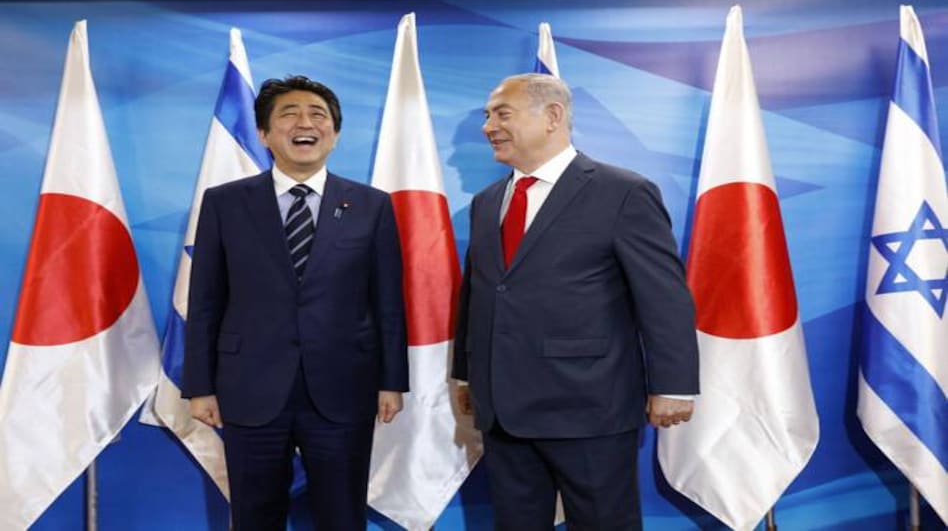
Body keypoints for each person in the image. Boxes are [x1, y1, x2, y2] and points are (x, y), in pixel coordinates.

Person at [453, 73, 699, 531]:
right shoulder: (488, 202)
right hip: (502, 409)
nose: (488, 126)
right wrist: (468, 372)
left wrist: (673, 385)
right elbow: (481, 291)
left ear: (553, 116)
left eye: (501, 114)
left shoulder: (623, 191)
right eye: (487, 116)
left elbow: (663, 296)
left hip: (589, 407)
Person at [182, 75, 408, 530]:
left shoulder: (371, 205)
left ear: (335, 134)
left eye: (317, 115)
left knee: (342, 515)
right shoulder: (224, 203)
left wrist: (392, 381)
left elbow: (387, 300)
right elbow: (206, 298)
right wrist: (199, 384)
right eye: (289, 114)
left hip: (344, 387)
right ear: (264, 135)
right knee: (255, 515)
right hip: (250, 388)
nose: (305, 123)